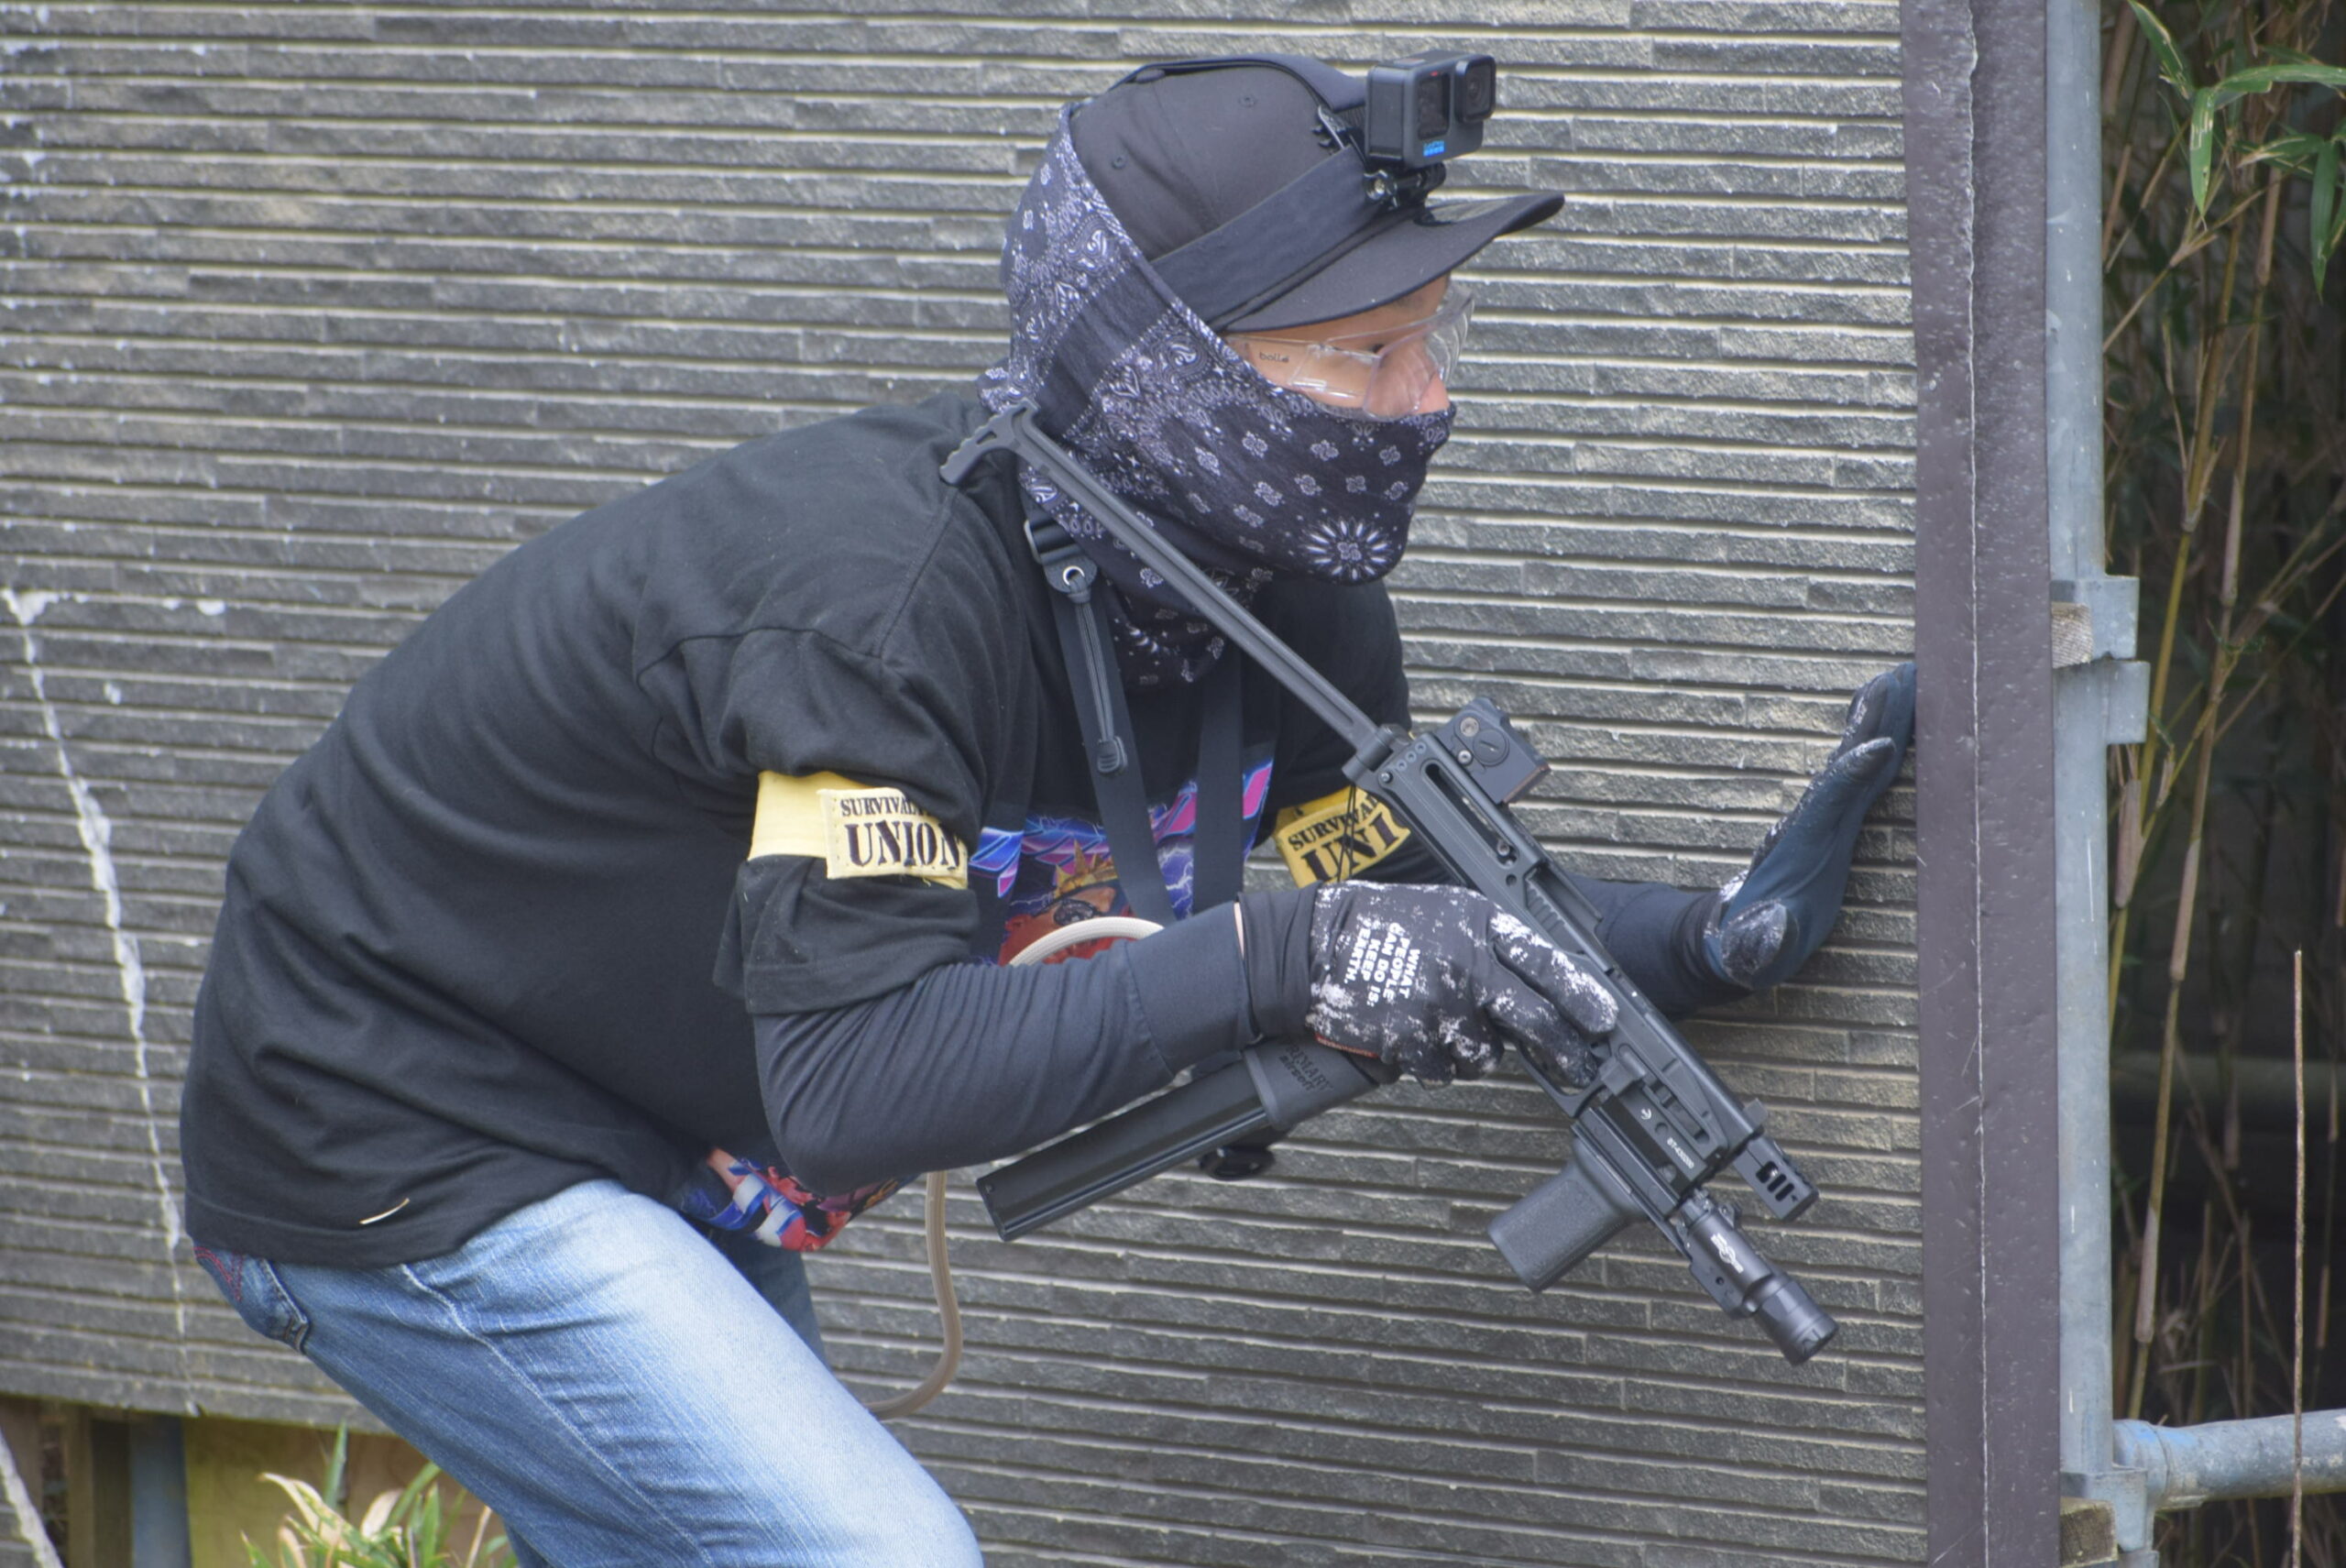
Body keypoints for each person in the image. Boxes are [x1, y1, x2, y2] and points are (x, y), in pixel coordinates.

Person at [180, 53, 1913, 1566]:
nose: (1429, 402)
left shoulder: (1280, 594)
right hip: (403, 1117)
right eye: (1367, 353)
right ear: (1171, 374)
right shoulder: (883, 611)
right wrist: (1288, 958)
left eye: (1435, 338)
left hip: (661, 1125)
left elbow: (1393, 880)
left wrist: (1695, 945)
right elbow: (860, 1086)